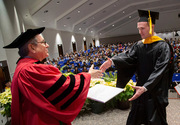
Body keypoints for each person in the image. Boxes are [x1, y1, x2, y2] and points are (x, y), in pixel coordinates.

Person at [3, 27, 103, 125]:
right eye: (43, 42)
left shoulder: (22, 67)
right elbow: (64, 86)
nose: (48, 45)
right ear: (32, 47)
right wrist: (88, 76)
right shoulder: (30, 70)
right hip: (41, 119)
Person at [100, 10, 174, 125]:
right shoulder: (139, 45)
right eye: (138, 28)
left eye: (142, 28)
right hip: (139, 90)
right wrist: (113, 62)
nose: (140, 32)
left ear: (152, 27)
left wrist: (145, 87)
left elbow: (160, 70)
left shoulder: (163, 46)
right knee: (133, 120)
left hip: (155, 92)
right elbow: (128, 57)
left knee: (156, 121)